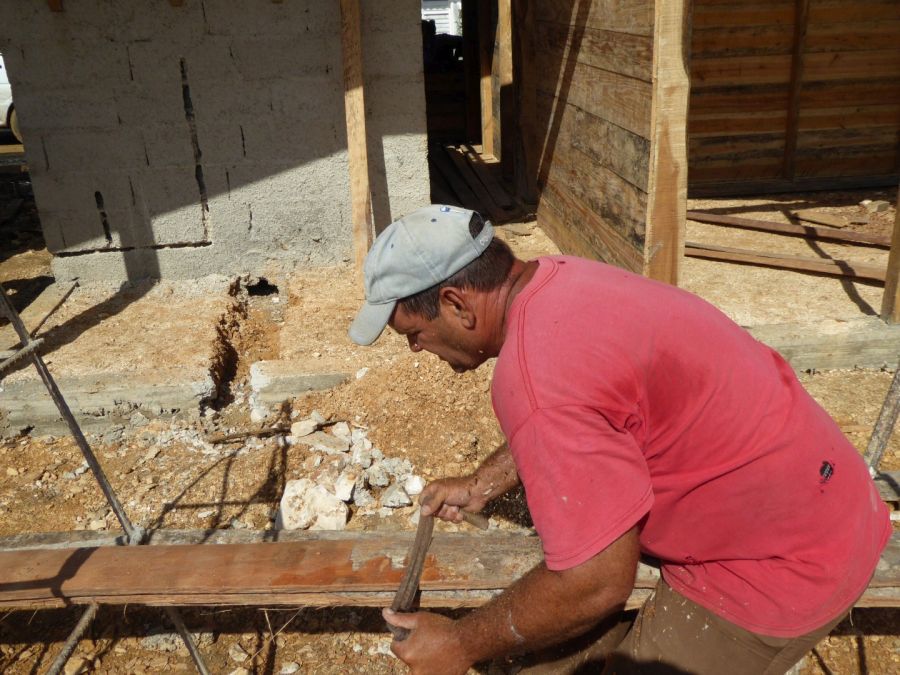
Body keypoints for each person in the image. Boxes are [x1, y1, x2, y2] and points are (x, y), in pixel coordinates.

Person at [348, 204, 891, 675]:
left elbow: (597, 582)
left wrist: (461, 644)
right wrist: (485, 481)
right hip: (820, 490)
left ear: (457, 305)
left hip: (783, 561)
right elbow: (599, 404)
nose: (417, 350)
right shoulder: (560, 279)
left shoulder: (537, 376)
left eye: (413, 334)